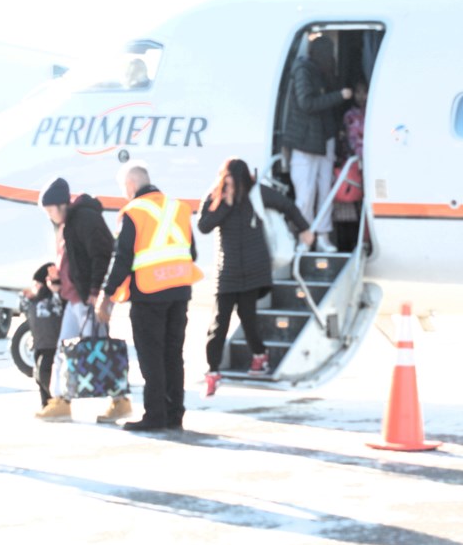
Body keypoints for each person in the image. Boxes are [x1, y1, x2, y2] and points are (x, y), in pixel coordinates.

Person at [96, 162, 202, 432]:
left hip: (149, 294)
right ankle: (174, 414)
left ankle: (154, 415)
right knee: (173, 354)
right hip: (179, 291)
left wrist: (106, 295)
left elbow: (122, 259)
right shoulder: (178, 208)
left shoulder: (133, 212)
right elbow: (192, 253)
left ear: (131, 186)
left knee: (151, 356)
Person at [197, 158, 313, 397]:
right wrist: (225, 204)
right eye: (227, 179)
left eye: (234, 180)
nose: (231, 184)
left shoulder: (257, 194)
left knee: (248, 318)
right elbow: (204, 226)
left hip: (253, 269)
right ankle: (212, 371)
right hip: (227, 271)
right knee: (219, 323)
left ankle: (260, 355)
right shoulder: (216, 197)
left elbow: (287, 206)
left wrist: (304, 228)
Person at [36, 177, 129, 423]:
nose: (49, 216)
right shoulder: (69, 225)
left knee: (99, 349)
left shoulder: (85, 219)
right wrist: (58, 283)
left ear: (59, 205)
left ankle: (120, 400)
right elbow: (75, 263)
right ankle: (60, 400)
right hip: (74, 299)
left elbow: (103, 254)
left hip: (88, 299)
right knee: (64, 350)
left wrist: (97, 291)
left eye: (49, 210)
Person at [282, 35, 352, 253]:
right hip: (305, 142)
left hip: (324, 139)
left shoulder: (321, 73)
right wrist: (338, 95)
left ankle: (322, 236)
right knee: (306, 193)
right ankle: (306, 237)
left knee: (324, 191)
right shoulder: (303, 71)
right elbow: (307, 103)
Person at [22, 262, 63, 411]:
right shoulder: (34, 301)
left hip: (51, 345)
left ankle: (52, 402)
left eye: (37, 284)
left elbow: (60, 301)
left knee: (45, 374)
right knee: (39, 375)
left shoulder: (53, 298)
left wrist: (54, 285)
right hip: (39, 344)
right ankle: (45, 402)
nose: (35, 287)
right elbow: (23, 305)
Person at [333, 77, 368, 252]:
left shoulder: (373, 112)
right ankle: (353, 242)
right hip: (355, 164)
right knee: (353, 203)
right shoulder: (351, 115)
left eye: (365, 92)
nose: (362, 96)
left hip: (370, 164)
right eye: (359, 92)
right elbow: (352, 140)